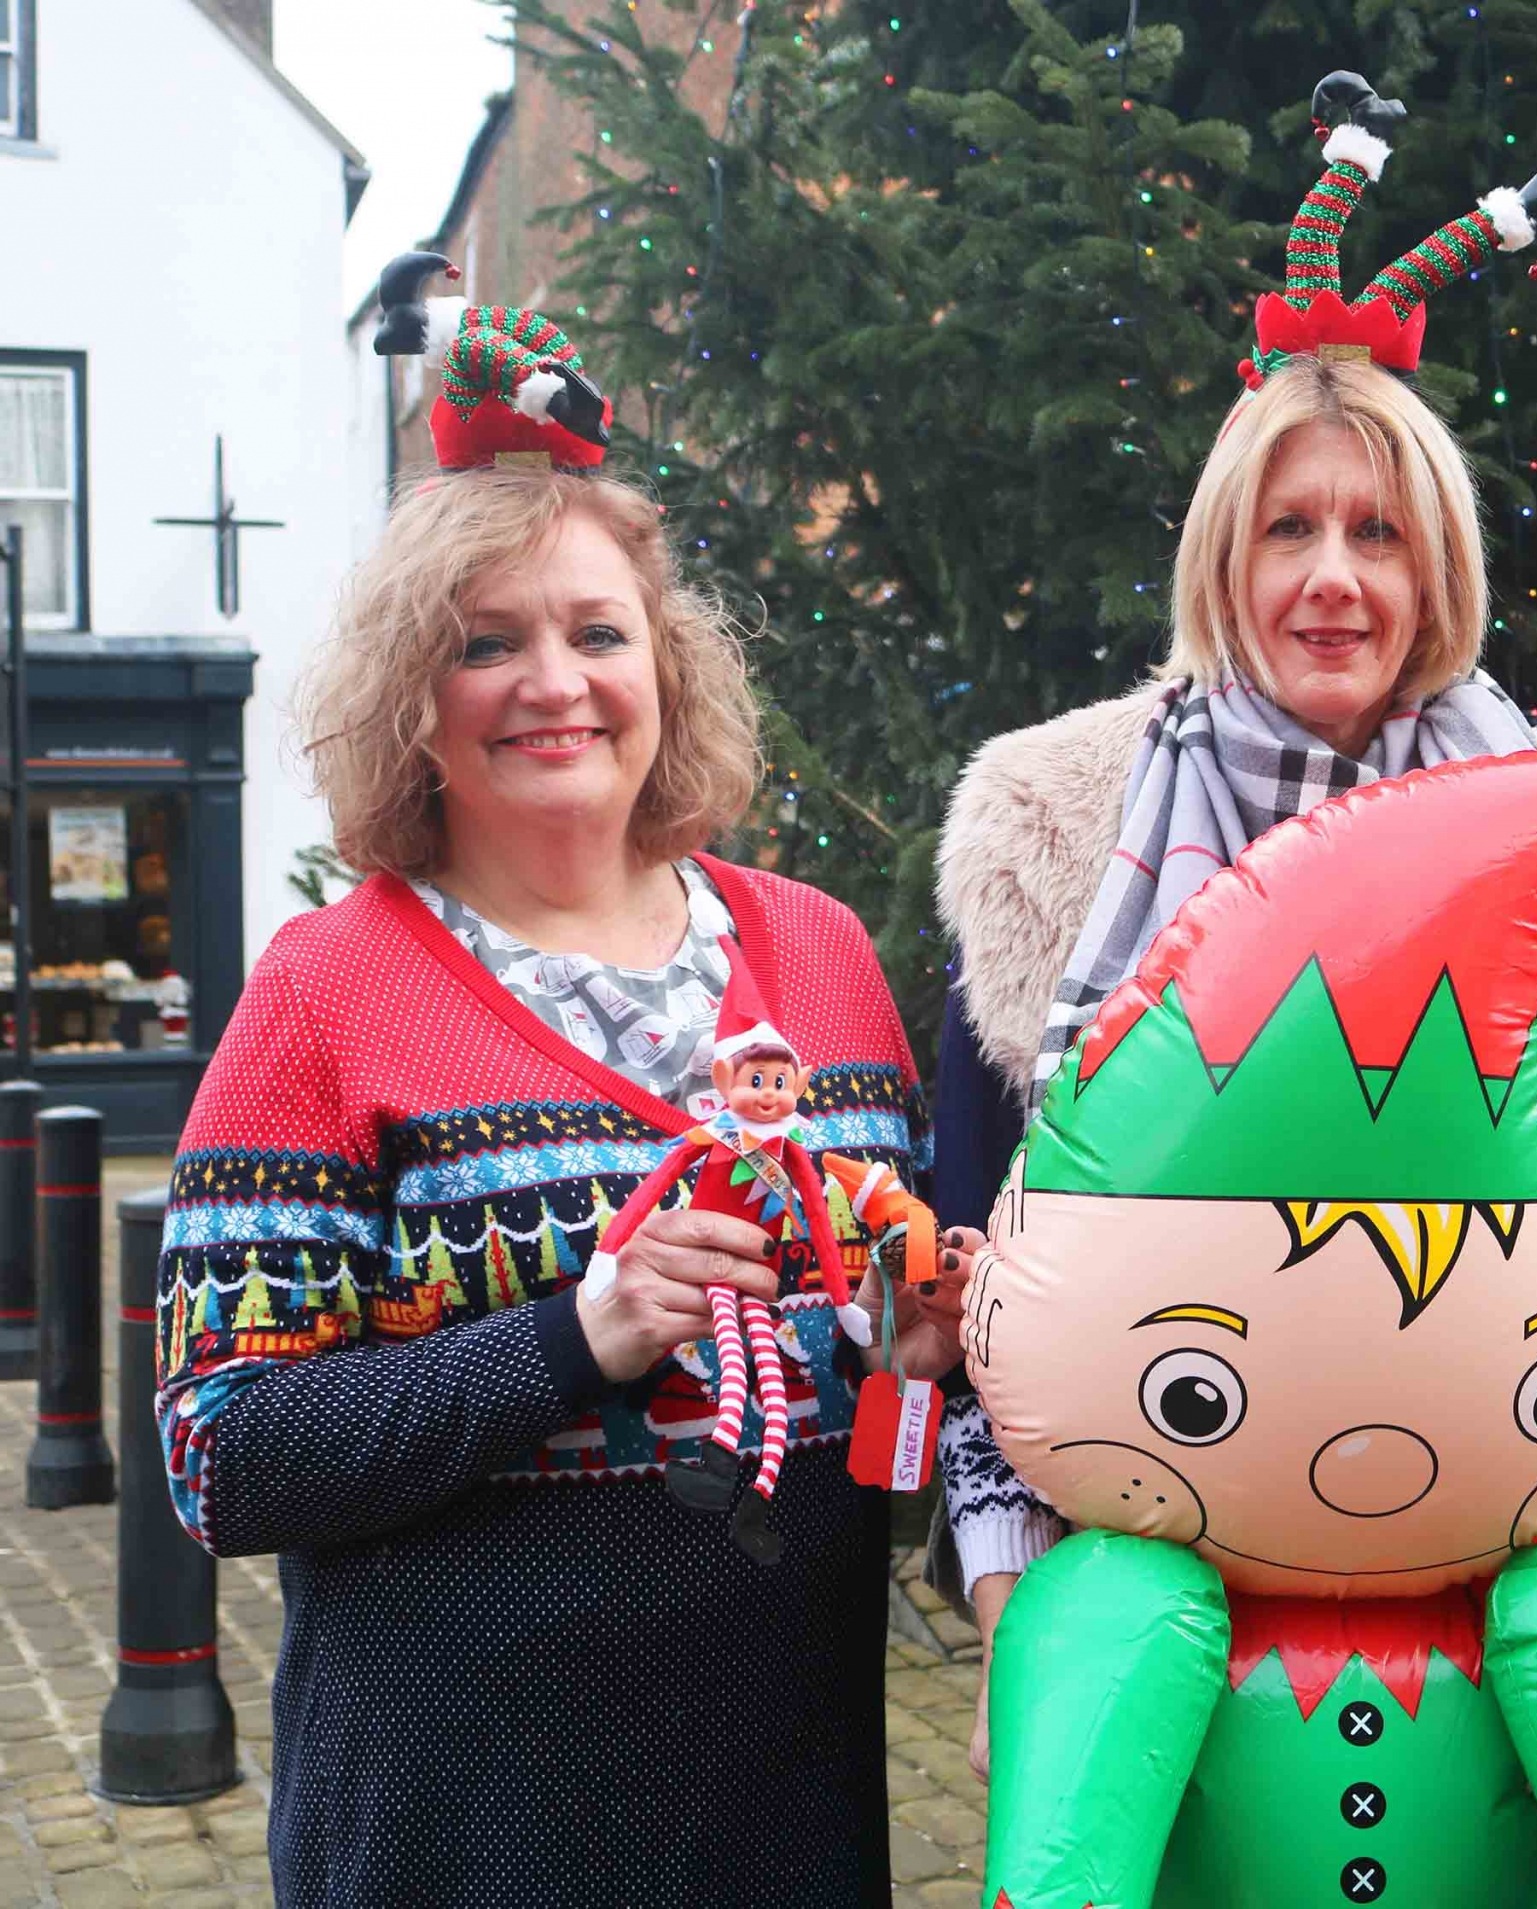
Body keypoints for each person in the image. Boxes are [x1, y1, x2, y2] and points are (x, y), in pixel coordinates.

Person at [929, 72, 1537, 1777]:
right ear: (1226, 552)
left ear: (1442, 569)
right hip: (1165, 1623)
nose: (1332, 577)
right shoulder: (1055, 835)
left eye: (1379, 532)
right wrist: (1021, 1620)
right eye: (1290, 526)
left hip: (1473, 1650)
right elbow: (999, 1259)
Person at [154, 276, 935, 1907]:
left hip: (781, 1804)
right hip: (460, 1813)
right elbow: (221, 1454)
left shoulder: (826, 957)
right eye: (485, 645)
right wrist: (574, 1337)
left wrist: (922, 1368)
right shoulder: (327, 989)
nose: (554, 682)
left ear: (668, 668)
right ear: (413, 704)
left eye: (598, 632)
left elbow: (894, 1441)